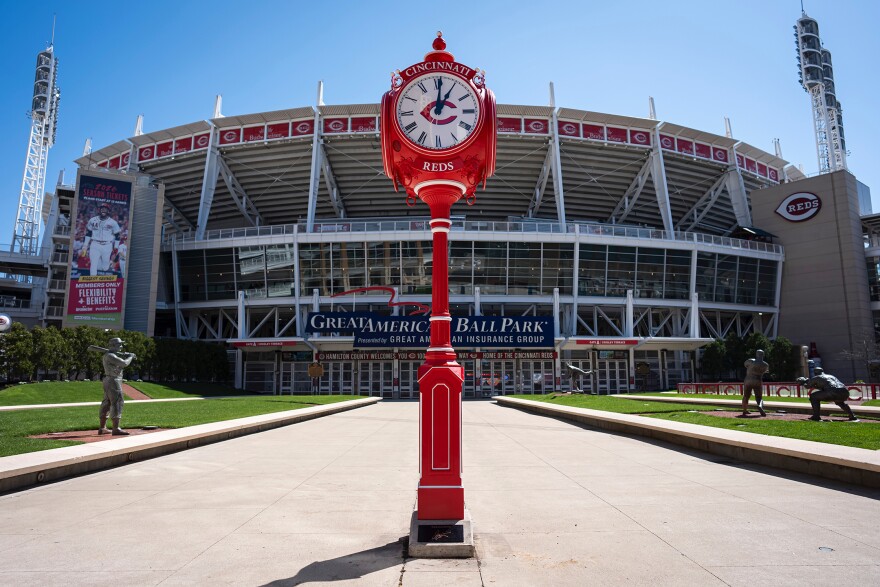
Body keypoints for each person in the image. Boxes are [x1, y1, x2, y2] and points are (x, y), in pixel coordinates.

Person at [98, 338, 136, 435]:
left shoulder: (110, 355)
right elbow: (124, 363)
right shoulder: (110, 355)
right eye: (119, 345)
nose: (121, 347)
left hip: (109, 380)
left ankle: (102, 428)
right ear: (113, 345)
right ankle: (116, 428)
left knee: (107, 403)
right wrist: (130, 357)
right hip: (113, 380)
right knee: (117, 402)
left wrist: (125, 356)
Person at [80, 203, 121, 276]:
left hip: (107, 245)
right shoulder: (92, 220)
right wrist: (85, 245)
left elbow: (117, 236)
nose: (103, 210)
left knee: (105, 267)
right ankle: (92, 282)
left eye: (105, 209)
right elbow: (89, 233)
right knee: (93, 264)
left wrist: (116, 247)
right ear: (99, 210)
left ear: (108, 211)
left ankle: (109, 264)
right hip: (95, 244)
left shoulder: (113, 222)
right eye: (102, 208)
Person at [742, 349, 769, 417]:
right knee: (759, 397)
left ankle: (745, 410)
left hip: (748, 379)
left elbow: (745, 364)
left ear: (757, 354)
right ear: (763, 355)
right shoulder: (765, 365)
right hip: (758, 380)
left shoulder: (751, 361)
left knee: (746, 396)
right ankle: (760, 406)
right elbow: (766, 371)